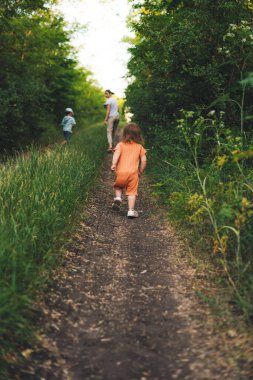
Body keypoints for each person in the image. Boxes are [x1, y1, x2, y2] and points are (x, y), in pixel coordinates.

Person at [111, 123, 147, 219]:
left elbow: (116, 154)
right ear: (138, 135)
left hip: (120, 172)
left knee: (118, 186)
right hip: (133, 174)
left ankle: (118, 197)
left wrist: (114, 164)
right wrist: (140, 171)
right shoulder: (140, 147)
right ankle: (131, 211)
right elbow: (144, 160)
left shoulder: (120, 145)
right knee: (132, 192)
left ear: (125, 134)